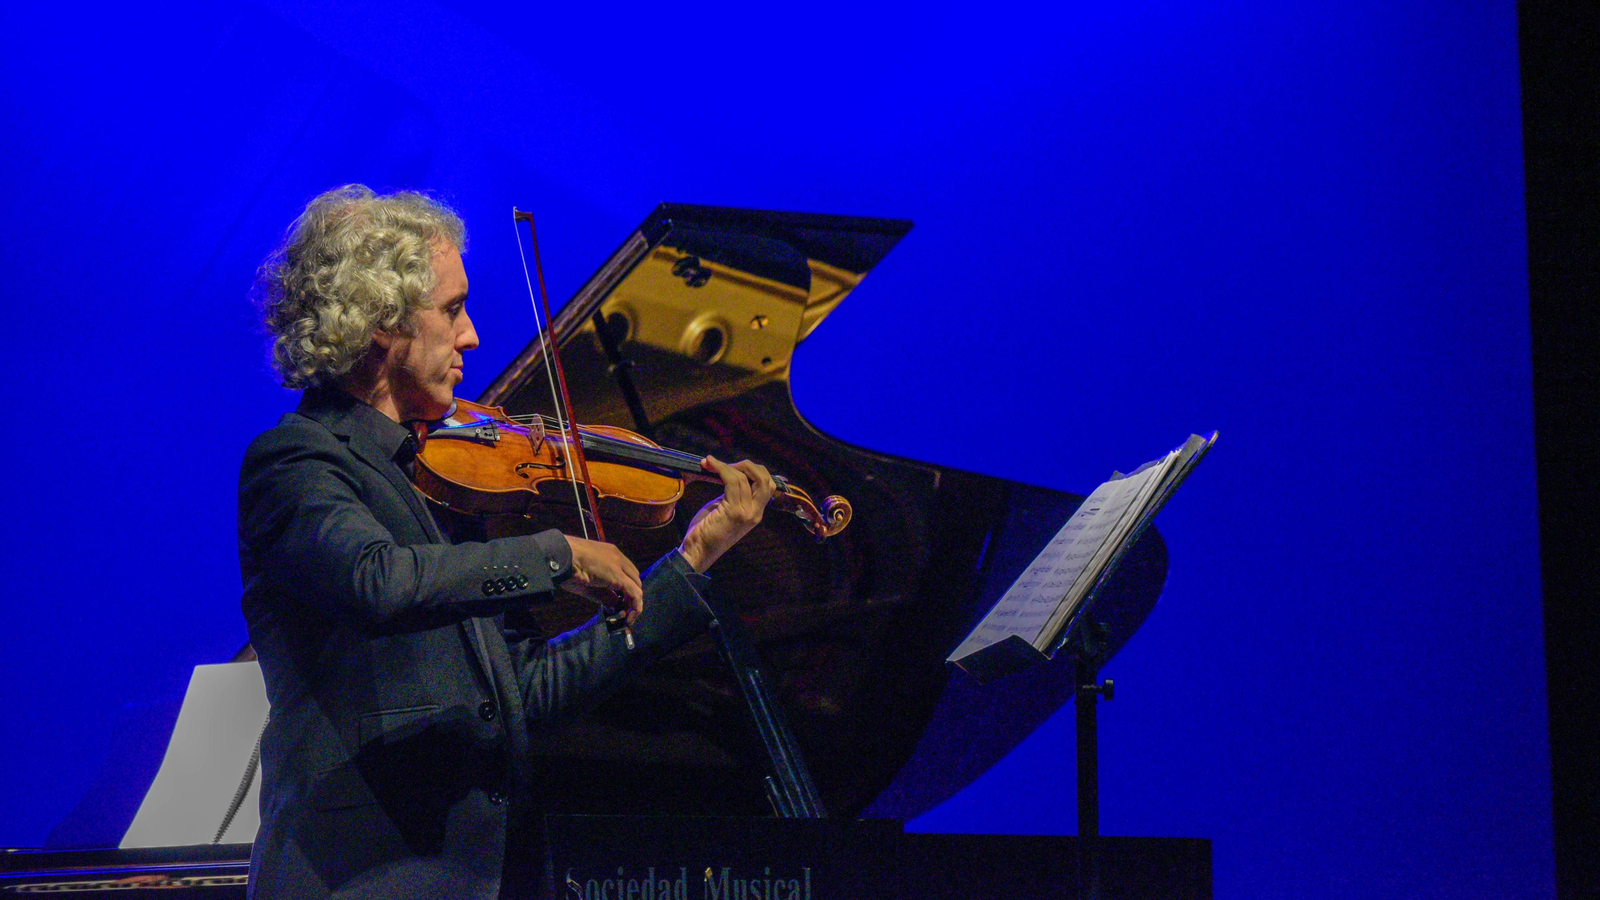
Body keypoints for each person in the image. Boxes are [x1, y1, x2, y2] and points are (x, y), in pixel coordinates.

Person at [238, 185, 775, 899]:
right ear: (379, 326)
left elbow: (530, 695)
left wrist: (695, 560)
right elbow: (378, 582)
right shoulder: (297, 463)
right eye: (452, 310)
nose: (473, 338)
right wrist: (557, 555)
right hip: (359, 881)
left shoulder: (439, 486)